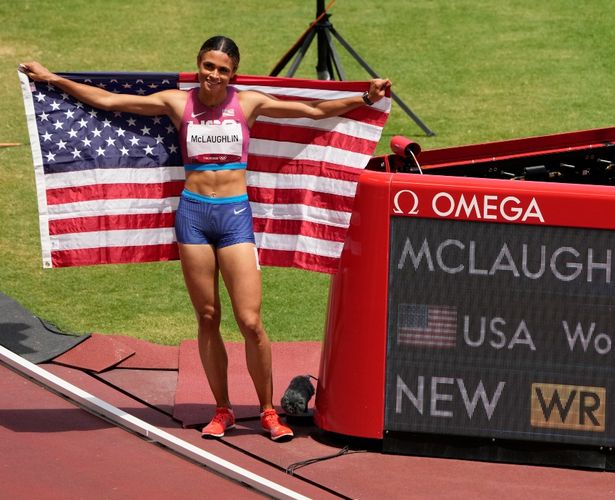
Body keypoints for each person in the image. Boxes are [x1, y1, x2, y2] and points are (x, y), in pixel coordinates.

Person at [20, 35, 390, 441]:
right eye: (208, 67)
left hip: (234, 216)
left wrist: (364, 98)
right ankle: (222, 409)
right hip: (193, 215)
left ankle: (267, 411)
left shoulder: (248, 103)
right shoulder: (177, 103)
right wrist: (51, 78)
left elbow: (313, 110)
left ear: (233, 74)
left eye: (222, 70)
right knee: (208, 316)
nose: (214, 76)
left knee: (250, 321)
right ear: (199, 65)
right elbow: (108, 102)